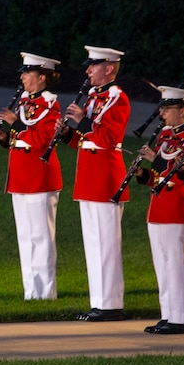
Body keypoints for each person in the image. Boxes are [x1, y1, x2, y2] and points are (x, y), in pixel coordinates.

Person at [63, 46, 130, 321]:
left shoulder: (118, 97)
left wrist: (82, 121)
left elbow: (108, 137)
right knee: (93, 242)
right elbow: (85, 140)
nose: (88, 70)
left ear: (109, 68)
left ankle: (111, 304)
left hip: (105, 176)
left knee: (106, 243)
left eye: (94, 65)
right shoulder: (93, 96)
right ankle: (99, 301)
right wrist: (68, 132)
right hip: (89, 177)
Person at [0, 52, 63, 300]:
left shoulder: (50, 104)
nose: (22, 77)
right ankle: (30, 293)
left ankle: (45, 293)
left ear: (42, 77)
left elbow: (42, 140)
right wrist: (5, 138)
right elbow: (21, 139)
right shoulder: (25, 101)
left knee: (41, 237)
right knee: (25, 237)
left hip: (40, 177)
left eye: (27, 73)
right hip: (21, 177)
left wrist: (15, 124)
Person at [134, 86, 184, 334]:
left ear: (183, 110)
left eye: (167, 108)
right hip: (160, 206)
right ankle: (168, 313)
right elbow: (160, 176)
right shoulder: (164, 134)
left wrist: (156, 161)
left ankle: (181, 317)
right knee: (162, 263)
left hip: (178, 206)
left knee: (176, 262)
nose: (162, 113)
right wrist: (144, 175)